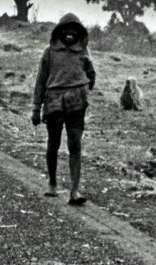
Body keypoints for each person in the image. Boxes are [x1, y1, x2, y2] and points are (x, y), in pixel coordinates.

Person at [31, 13, 95, 206]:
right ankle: (52, 183)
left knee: (75, 143)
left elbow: (91, 82)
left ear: (79, 33)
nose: (69, 33)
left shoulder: (84, 52)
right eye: (66, 29)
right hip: (54, 101)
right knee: (54, 143)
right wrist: (36, 108)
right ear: (59, 31)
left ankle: (74, 191)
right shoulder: (49, 52)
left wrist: (90, 71)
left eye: (73, 30)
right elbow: (41, 81)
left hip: (77, 102)